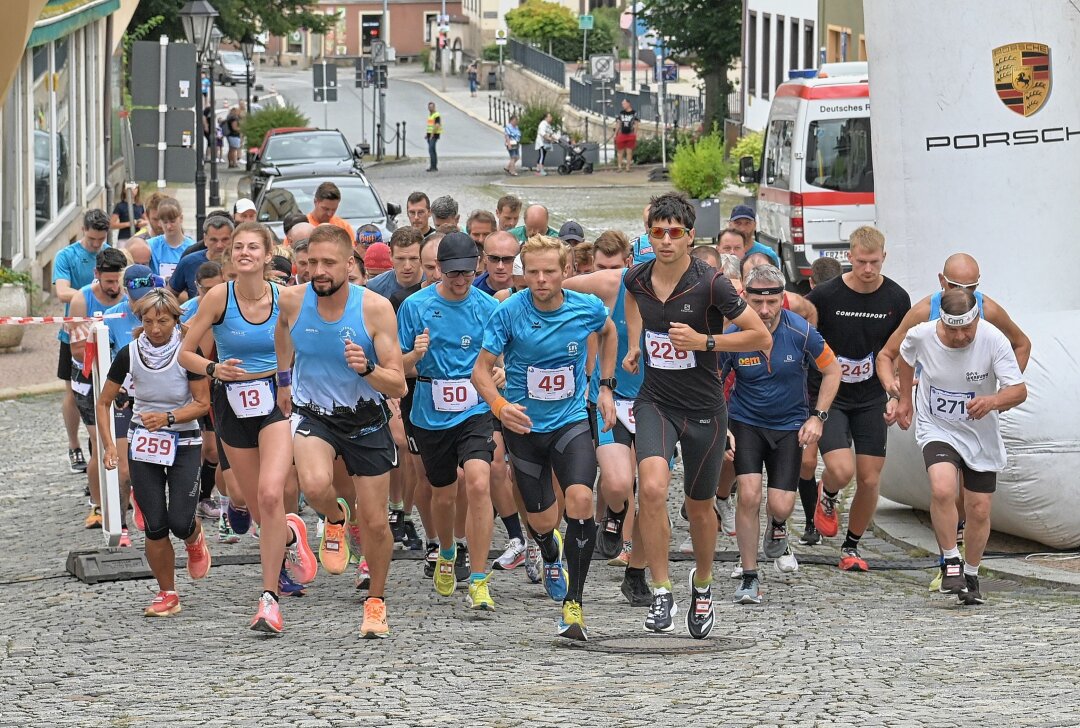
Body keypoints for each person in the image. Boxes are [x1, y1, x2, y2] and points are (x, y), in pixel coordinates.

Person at [622, 192, 771, 638]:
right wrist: (634, 344)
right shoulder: (639, 277)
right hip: (656, 402)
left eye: (674, 233)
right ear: (649, 236)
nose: (665, 241)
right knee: (649, 488)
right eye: (657, 232)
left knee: (699, 507)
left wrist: (706, 342)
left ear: (690, 236)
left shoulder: (712, 284)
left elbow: (759, 335)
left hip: (704, 410)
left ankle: (702, 586)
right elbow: (630, 299)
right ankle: (662, 588)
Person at [473, 234, 618, 641]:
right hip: (524, 426)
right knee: (541, 518)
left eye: (549, 272)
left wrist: (605, 385)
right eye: (532, 271)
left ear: (566, 271)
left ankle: (574, 605)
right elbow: (480, 372)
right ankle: (549, 549)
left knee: (582, 499)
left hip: (571, 420)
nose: (540, 279)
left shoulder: (585, 308)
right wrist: (500, 408)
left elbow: (609, 334)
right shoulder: (509, 312)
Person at [180, 221, 317, 634]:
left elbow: (308, 343)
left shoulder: (286, 298)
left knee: (272, 494)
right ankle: (291, 539)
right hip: (231, 402)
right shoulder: (218, 297)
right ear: (230, 257)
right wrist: (213, 367)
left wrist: (289, 380)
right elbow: (184, 353)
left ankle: (269, 599)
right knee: (259, 508)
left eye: (253, 247)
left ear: (268, 253)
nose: (244, 252)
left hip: (276, 399)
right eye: (238, 247)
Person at [275, 223, 407, 638]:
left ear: (349, 264)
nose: (318, 271)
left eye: (328, 263)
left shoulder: (374, 309)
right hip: (314, 412)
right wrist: (282, 381)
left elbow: (398, 384)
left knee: (377, 523)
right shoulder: (293, 300)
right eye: (311, 262)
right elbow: (283, 335)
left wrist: (366, 368)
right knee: (313, 485)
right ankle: (334, 517)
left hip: (366, 417)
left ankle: (376, 601)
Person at [875, 253, 1031, 590]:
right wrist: (903, 398)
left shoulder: (992, 332)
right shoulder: (922, 324)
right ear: (942, 283)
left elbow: (1019, 386)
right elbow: (898, 354)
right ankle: (950, 561)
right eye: (953, 331)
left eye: (973, 286)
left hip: (979, 430)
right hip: (938, 425)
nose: (960, 338)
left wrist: (995, 399)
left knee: (977, 508)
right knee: (943, 487)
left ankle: (972, 574)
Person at [720, 264, 841, 604]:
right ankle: (749, 575)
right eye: (758, 302)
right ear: (745, 298)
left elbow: (833, 370)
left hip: (789, 426)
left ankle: (778, 525)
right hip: (746, 422)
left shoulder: (800, 331)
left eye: (772, 302)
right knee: (748, 494)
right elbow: (713, 384)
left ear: (782, 299)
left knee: (780, 504)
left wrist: (818, 417)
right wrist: (722, 430)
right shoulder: (734, 334)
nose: (765, 310)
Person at [397, 232, 503, 609]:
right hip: (430, 411)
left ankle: (478, 578)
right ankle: (445, 550)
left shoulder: (489, 307)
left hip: (474, 409)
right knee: (443, 493)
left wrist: (500, 374)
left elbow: (500, 359)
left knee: (477, 481)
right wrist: (414, 355)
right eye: (452, 273)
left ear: (476, 266)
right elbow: (397, 368)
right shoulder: (415, 306)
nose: (460, 280)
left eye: (466, 272)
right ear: (438, 269)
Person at [97, 290, 213, 617]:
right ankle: (168, 593)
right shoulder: (129, 353)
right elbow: (103, 402)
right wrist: (109, 445)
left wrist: (169, 418)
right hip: (143, 442)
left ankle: (193, 537)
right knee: (155, 524)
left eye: (162, 321)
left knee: (179, 520)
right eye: (148, 321)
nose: (155, 328)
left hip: (184, 441)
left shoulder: (188, 352)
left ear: (176, 319)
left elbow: (203, 403)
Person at [804, 225, 910, 572]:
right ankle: (829, 493)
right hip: (832, 395)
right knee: (840, 469)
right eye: (861, 262)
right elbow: (807, 340)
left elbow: (897, 351)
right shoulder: (826, 296)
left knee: (868, 478)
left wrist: (897, 393)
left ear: (884, 258)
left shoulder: (896, 299)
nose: (868, 269)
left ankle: (851, 546)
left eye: (874, 262)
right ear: (848, 257)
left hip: (870, 396)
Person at [562, 230, 650, 606]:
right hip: (610, 396)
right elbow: (552, 287)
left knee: (652, 492)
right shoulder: (612, 283)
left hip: (657, 402)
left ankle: (637, 573)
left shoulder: (683, 294)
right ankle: (613, 514)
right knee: (617, 484)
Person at [66, 247, 129, 530]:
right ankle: (97, 505)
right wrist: (105, 352)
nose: (114, 287)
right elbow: (78, 350)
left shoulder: (127, 296)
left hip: (119, 380)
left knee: (125, 441)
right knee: (98, 443)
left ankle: (123, 493)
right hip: (88, 379)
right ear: (97, 276)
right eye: (109, 282)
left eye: (118, 281)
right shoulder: (82, 299)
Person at [53, 209, 111, 474]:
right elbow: (62, 291)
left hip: (105, 333)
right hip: (73, 334)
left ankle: (97, 449)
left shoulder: (109, 254)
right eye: (92, 240)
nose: (97, 245)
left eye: (101, 239)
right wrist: (91, 295)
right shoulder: (67, 256)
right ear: (83, 231)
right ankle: (73, 444)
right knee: (75, 393)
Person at [796, 255, 843, 546]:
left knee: (834, 464)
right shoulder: (805, 309)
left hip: (836, 390)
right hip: (807, 390)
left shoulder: (847, 306)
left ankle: (827, 497)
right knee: (807, 461)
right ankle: (812, 523)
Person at [169, 215, 234, 302]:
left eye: (225, 239)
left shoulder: (241, 264)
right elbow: (169, 294)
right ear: (205, 239)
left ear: (233, 239)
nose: (219, 245)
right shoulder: (189, 262)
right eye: (213, 240)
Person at [366, 227, 423, 299]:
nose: (407, 267)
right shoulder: (374, 288)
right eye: (400, 259)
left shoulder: (436, 284)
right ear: (390, 256)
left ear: (422, 255)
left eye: (413, 258)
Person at [147, 198, 194, 284]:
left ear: (181, 218)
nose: (169, 226)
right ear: (160, 222)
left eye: (172, 221)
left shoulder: (192, 247)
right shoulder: (150, 245)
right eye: (165, 222)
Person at [614, 99, 639, 172]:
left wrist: (635, 133)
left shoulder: (634, 113)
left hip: (630, 134)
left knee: (629, 151)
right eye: (622, 104)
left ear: (628, 104)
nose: (623, 105)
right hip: (622, 134)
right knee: (620, 151)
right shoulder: (621, 113)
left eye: (624, 104)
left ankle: (628, 167)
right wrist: (616, 133)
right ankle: (619, 167)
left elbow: (636, 124)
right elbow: (618, 123)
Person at [425, 101, 443, 172]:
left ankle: (433, 167)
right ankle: (434, 166)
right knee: (432, 150)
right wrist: (427, 134)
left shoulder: (436, 115)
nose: (430, 108)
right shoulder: (430, 115)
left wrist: (432, 134)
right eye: (429, 107)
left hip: (434, 135)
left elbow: (437, 125)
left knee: (431, 150)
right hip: (430, 135)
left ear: (434, 107)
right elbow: (430, 126)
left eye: (432, 107)